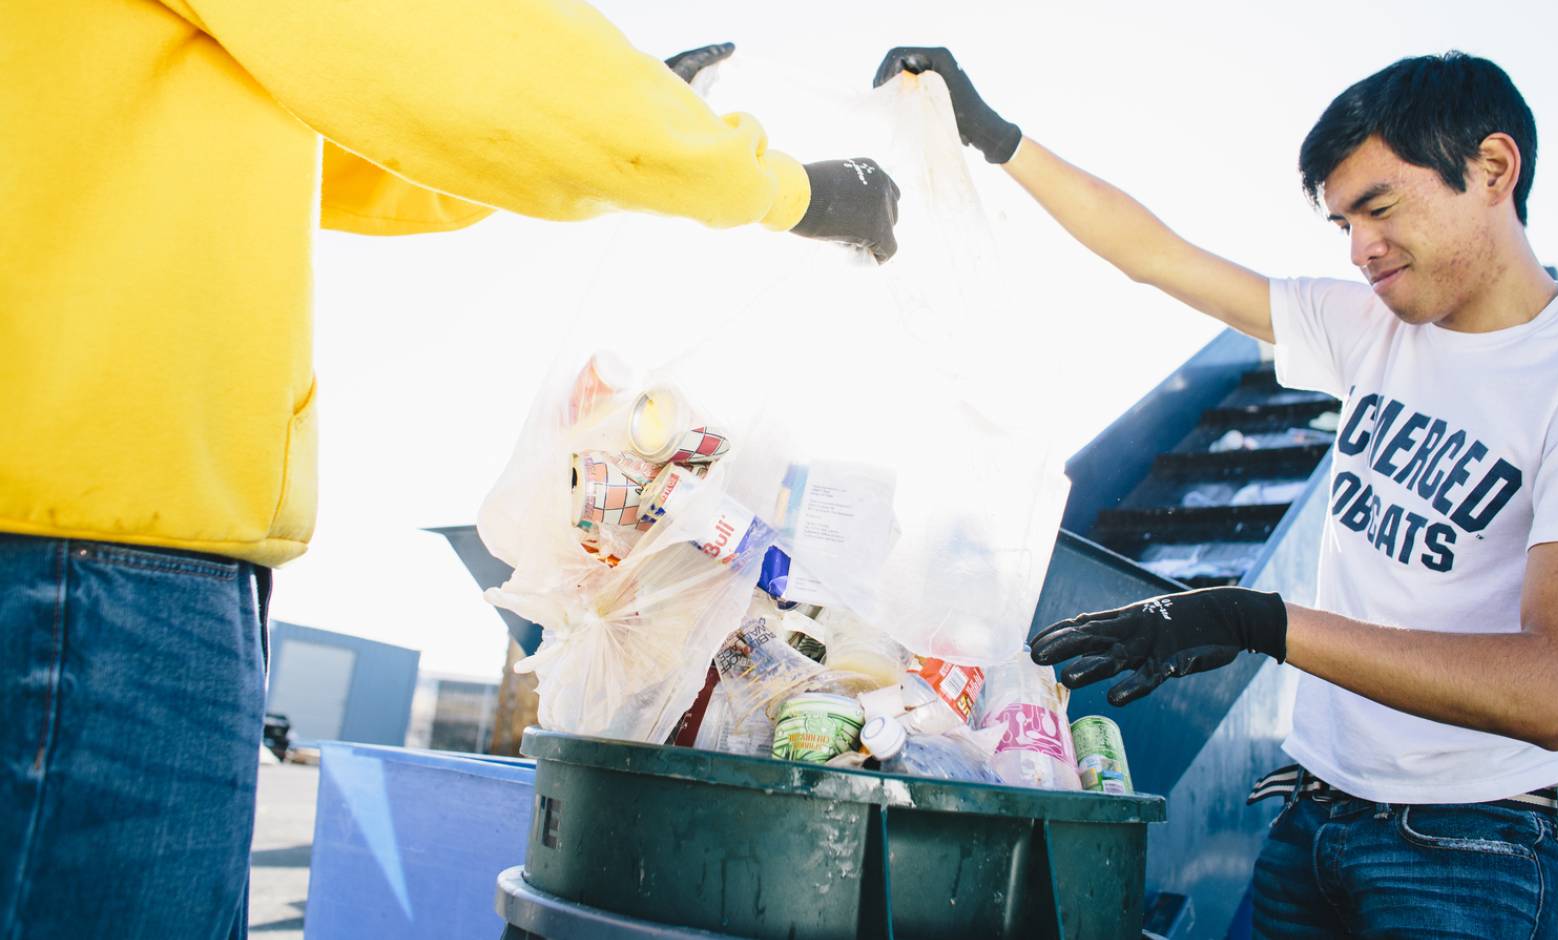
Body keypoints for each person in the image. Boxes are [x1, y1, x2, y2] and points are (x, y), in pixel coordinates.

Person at [0, 0, 900, 934]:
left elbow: (362, 132)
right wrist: (783, 188)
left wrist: (613, 134)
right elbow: (435, 40)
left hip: (78, 515)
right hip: (81, 537)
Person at [874, 46, 1558, 937]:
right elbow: (1157, 256)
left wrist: (1261, 622)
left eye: (1378, 209)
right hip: (1314, 816)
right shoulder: (1373, 328)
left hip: (1466, 851)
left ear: (1493, 168)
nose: (1361, 249)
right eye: (1342, 225)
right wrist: (997, 137)